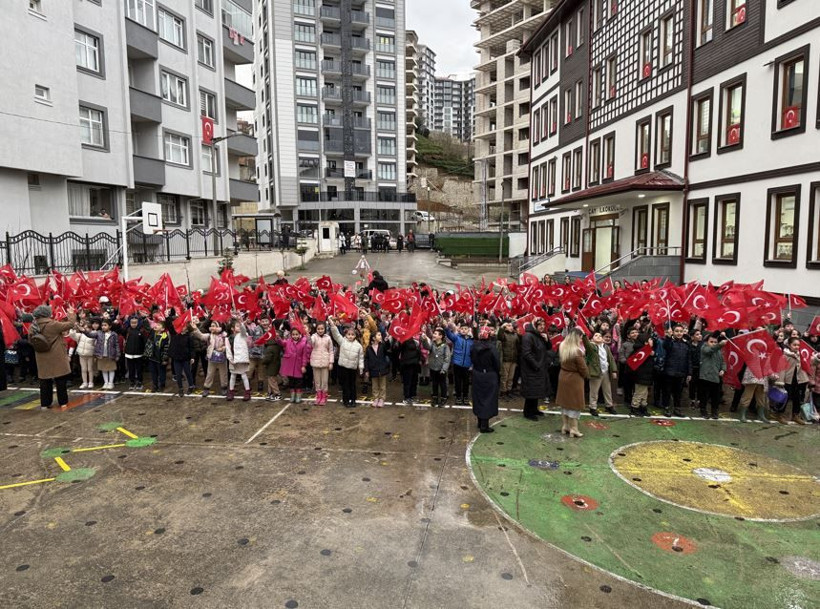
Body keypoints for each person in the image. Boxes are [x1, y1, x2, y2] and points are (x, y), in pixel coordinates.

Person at [31, 305, 76, 409]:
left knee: (45, 381)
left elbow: (31, 340)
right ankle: (63, 402)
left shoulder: (33, 326)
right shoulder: (53, 324)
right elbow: (70, 324)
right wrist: (71, 314)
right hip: (56, 356)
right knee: (60, 379)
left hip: (41, 356)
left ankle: (45, 404)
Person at [555, 328, 589, 437]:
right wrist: (587, 375)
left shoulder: (562, 346)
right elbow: (583, 369)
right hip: (574, 379)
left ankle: (565, 426)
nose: (581, 339)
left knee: (565, 404)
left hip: (563, 376)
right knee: (575, 405)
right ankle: (574, 429)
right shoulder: (577, 351)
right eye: (580, 336)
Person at [470, 325, 500, 433]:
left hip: (477, 374)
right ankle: (484, 425)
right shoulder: (492, 348)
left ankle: (479, 421)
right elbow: (497, 363)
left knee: (478, 398)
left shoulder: (474, 346)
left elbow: (472, 359)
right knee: (488, 399)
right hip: (489, 375)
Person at [329, 319, 364, 407]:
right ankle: (346, 400)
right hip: (343, 367)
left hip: (352, 368)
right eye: (349, 334)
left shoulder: (358, 346)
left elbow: (361, 358)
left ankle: (353, 400)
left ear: (355, 336)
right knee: (345, 385)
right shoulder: (342, 341)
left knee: (352, 385)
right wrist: (332, 325)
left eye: (352, 335)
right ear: (346, 335)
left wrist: (361, 368)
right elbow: (336, 334)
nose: (350, 336)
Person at [520, 319, 549, 421]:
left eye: (543, 324)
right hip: (531, 369)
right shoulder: (528, 336)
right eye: (540, 325)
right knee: (530, 391)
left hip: (538, 369)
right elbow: (527, 353)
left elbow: (548, 349)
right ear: (534, 325)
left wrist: (547, 340)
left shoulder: (539, 336)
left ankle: (534, 409)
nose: (542, 326)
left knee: (536, 390)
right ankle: (528, 412)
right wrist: (536, 365)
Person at [192, 320, 229, 398]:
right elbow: (201, 336)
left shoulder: (224, 336)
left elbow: (228, 345)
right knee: (210, 373)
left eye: (214, 326)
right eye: (211, 326)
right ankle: (206, 387)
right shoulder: (209, 336)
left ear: (219, 327)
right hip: (212, 357)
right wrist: (195, 329)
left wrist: (223, 348)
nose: (212, 327)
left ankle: (224, 387)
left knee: (223, 373)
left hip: (222, 357)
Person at [661, 324, 692, 417]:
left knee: (678, 392)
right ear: (673, 332)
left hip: (681, 372)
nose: (679, 333)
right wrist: (668, 337)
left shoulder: (686, 344)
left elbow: (688, 359)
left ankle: (677, 408)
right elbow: (665, 346)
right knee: (667, 391)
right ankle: (666, 407)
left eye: (681, 331)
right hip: (669, 371)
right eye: (677, 331)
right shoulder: (670, 342)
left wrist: (689, 372)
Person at [584, 331, 618, 416]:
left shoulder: (606, 347)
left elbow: (611, 359)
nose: (598, 336)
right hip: (596, 372)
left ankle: (609, 405)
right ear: (592, 339)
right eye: (596, 335)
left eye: (600, 335)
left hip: (605, 371)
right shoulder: (591, 347)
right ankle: (592, 407)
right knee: (594, 391)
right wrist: (584, 335)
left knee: (607, 390)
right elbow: (586, 343)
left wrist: (614, 370)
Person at [777, 336, 809, 424]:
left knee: (797, 398)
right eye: (794, 345)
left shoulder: (800, 355)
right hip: (788, 380)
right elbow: (781, 369)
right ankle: (780, 414)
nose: (797, 347)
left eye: (798, 345)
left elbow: (807, 363)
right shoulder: (785, 356)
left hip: (799, 380)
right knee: (785, 398)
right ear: (789, 345)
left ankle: (795, 415)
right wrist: (781, 380)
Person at [277, 325, 311, 404]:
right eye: (293, 334)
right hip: (290, 365)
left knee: (298, 382)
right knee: (291, 382)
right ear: (291, 335)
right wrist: (278, 338)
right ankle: (292, 395)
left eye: (296, 334)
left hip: (298, 366)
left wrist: (303, 366)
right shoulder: (288, 341)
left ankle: (298, 396)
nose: (295, 336)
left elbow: (304, 356)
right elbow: (281, 343)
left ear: (300, 334)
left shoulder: (303, 343)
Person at [85, 318, 120, 390]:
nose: (103, 327)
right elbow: (90, 335)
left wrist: (117, 354)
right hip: (101, 354)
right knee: (103, 369)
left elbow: (116, 345)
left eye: (105, 325)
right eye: (102, 325)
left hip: (111, 355)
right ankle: (106, 382)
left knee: (111, 369)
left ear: (110, 326)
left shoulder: (114, 334)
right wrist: (84, 331)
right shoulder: (99, 333)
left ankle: (111, 383)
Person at [698, 332, 726, 419]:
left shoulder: (719, 351)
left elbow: (723, 362)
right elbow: (710, 351)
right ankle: (703, 411)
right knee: (704, 396)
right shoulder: (704, 348)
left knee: (715, 397)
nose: (713, 343)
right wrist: (719, 345)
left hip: (716, 377)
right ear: (707, 342)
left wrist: (723, 369)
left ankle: (714, 411)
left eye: (715, 342)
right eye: (711, 342)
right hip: (705, 376)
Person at [445, 320, 474, 405]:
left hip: (467, 365)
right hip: (457, 364)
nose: (464, 330)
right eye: (462, 329)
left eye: (466, 329)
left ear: (469, 330)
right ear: (459, 330)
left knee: (466, 382)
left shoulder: (471, 340)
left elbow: (473, 353)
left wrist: (471, 364)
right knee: (457, 382)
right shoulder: (456, 338)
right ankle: (458, 397)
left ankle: (465, 397)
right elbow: (449, 334)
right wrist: (446, 327)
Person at [167, 319, 195, 397]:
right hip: (176, 358)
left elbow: (192, 348)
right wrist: (167, 317)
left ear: (187, 327)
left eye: (184, 325)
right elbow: (169, 326)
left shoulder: (189, 336)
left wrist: (192, 357)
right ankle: (180, 389)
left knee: (188, 373)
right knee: (178, 375)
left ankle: (191, 386)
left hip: (186, 358)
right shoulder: (175, 334)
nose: (182, 327)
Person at [364, 330, 390, 407]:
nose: (380, 336)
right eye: (378, 335)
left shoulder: (382, 345)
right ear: (373, 338)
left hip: (382, 368)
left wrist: (387, 340)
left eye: (380, 335)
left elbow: (387, 348)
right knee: (374, 385)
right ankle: (376, 398)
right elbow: (366, 359)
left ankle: (382, 399)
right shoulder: (369, 348)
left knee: (382, 385)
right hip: (373, 369)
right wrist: (367, 370)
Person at [310, 322, 334, 405]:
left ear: (325, 329)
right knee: (317, 381)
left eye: (322, 329)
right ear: (316, 329)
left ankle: (324, 396)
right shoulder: (313, 337)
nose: (320, 330)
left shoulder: (328, 338)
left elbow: (331, 351)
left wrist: (331, 362)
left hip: (325, 362)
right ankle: (318, 396)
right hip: (315, 362)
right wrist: (306, 334)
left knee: (324, 381)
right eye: (318, 329)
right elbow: (310, 342)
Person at [144, 320, 170, 393]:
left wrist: (165, 359)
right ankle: (155, 385)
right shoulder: (152, 333)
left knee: (161, 373)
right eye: (156, 324)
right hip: (152, 358)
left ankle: (162, 385)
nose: (156, 326)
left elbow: (166, 349)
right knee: (153, 373)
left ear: (162, 329)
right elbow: (148, 328)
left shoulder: (165, 337)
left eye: (159, 325)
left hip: (160, 359)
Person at [72, 317, 99, 389]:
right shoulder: (81, 335)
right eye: (85, 327)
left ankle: (91, 382)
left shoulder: (94, 334)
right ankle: (84, 382)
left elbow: (96, 344)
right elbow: (72, 335)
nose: (85, 329)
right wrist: (74, 327)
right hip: (81, 354)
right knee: (83, 369)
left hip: (90, 354)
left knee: (90, 369)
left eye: (87, 327)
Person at [427, 328, 451, 407]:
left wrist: (444, 369)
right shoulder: (432, 344)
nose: (434, 335)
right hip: (433, 368)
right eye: (434, 333)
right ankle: (435, 398)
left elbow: (447, 359)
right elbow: (426, 346)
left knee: (442, 384)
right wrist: (423, 340)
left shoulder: (445, 346)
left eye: (436, 334)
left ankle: (443, 398)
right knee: (434, 384)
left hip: (441, 370)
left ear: (441, 336)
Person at [123, 316, 147, 391]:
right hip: (129, 353)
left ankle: (140, 381)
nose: (133, 324)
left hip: (139, 353)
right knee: (131, 369)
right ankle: (132, 381)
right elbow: (120, 330)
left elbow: (144, 342)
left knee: (139, 368)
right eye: (132, 323)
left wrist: (144, 351)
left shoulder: (141, 331)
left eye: (135, 323)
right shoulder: (127, 330)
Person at [497, 321, 520, 399]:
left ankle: (508, 391)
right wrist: (501, 328)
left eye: (511, 326)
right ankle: (503, 391)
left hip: (513, 359)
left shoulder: (515, 335)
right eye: (508, 326)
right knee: (504, 377)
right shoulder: (504, 335)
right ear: (505, 327)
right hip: (506, 359)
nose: (511, 327)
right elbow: (499, 336)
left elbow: (519, 345)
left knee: (511, 377)